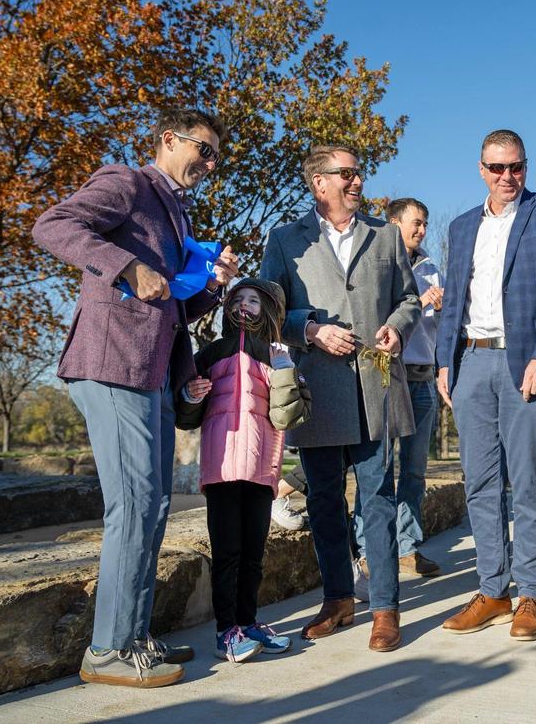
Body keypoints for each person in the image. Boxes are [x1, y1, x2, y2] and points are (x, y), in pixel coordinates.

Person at [33, 108, 239, 687]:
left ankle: (134, 639)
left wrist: (213, 287)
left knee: (152, 508)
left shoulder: (176, 209)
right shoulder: (126, 182)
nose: (210, 162)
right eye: (204, 148)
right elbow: (52, 225)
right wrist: (125, 265)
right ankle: (107, 652)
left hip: (150, 373)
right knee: (134, 505)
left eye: (217, 155)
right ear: (168, 140)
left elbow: (170, 306)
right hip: (110, 365)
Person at [260, 144, 421, 653]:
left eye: (358, 174)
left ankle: (386, 608)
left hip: (376, 386)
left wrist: (397, 327)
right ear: (319, 182)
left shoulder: (387, 235)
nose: (356, 182)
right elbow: (268, 307)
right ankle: (338, 601)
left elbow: (410, 299)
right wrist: (309, 330)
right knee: (326, 502)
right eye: (346, 174)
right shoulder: (285, 240)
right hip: (318, 392)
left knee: (378, 499)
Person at [436, 129, 536, 642]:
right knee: (479, 482)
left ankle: (529, 595)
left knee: (528, 479)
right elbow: (454, 300)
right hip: (471, 363)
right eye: (496, 168)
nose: (506, 177)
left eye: (515, 167)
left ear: (526, 166)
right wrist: (443, 363)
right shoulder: (460, 227)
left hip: (525, 363)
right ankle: (492, 589)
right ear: (481, 169)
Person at [176, 279, 311, 662]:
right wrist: (189, 396)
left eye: (254, 300)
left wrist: (285, 371)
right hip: (220, 469)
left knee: (254, 553)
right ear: (227, 308)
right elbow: (187, 417)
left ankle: (248, 623)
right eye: (238, 299)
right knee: (227, 552)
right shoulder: (209, 354)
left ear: (267, 309)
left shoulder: (277, 355)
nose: (245, 306)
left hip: (261, 466)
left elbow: (290, 414)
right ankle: (226, 632)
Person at [351, 197, 444, 577]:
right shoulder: (381, 263)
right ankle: (367, 547)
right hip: (391, 376)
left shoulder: (432, 267)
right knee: (377, 468)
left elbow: (438, 327)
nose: (421, 230)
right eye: (415, 223)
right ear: (394, 224)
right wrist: (419, 302)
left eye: (425, 224)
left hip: (424, 376)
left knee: (415, 471)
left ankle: (408, 546)